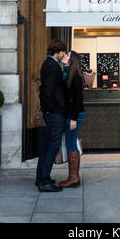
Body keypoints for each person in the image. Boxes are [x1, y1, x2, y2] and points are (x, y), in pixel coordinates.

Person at [36, 38, 67, 192]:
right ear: (59, 52)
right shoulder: (53, 66)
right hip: (54, 113)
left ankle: (40, 178)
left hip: (50, 112)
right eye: (63, 52)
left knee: (46, 146)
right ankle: (45, 181)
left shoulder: (46, 63)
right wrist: (55, 109)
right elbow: (48, 90)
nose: (64, 55)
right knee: (52, 147)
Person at [59, 50, 85, 188]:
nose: (64, 56)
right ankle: (72, 177)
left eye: (67, 55)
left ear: (72, 60)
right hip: (72, 114)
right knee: (70, 142)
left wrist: (73, 119)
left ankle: (74, 178)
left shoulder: (76, 76)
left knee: (71, 144)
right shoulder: (68, 74)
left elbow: (78, 99)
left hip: (76, 115)